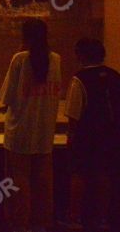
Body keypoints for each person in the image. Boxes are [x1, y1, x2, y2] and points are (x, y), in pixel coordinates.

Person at [0, 19, 61, 232]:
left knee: (19, 180)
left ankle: (20, 225)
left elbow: (5, 97)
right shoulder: (56, 60)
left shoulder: (20, 59)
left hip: (20, 130)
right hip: (44, 131)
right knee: (44, 181)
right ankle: (41, 224)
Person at [62, 38, 120, 232]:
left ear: (81, 55)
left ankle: (75, 218)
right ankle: (103, 219)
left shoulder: (80, 79)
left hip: (86, 136)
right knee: (104, 175)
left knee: (78, 174)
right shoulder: (114, 76)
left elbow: (73, 113)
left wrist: (71, 137)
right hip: (110, 135)